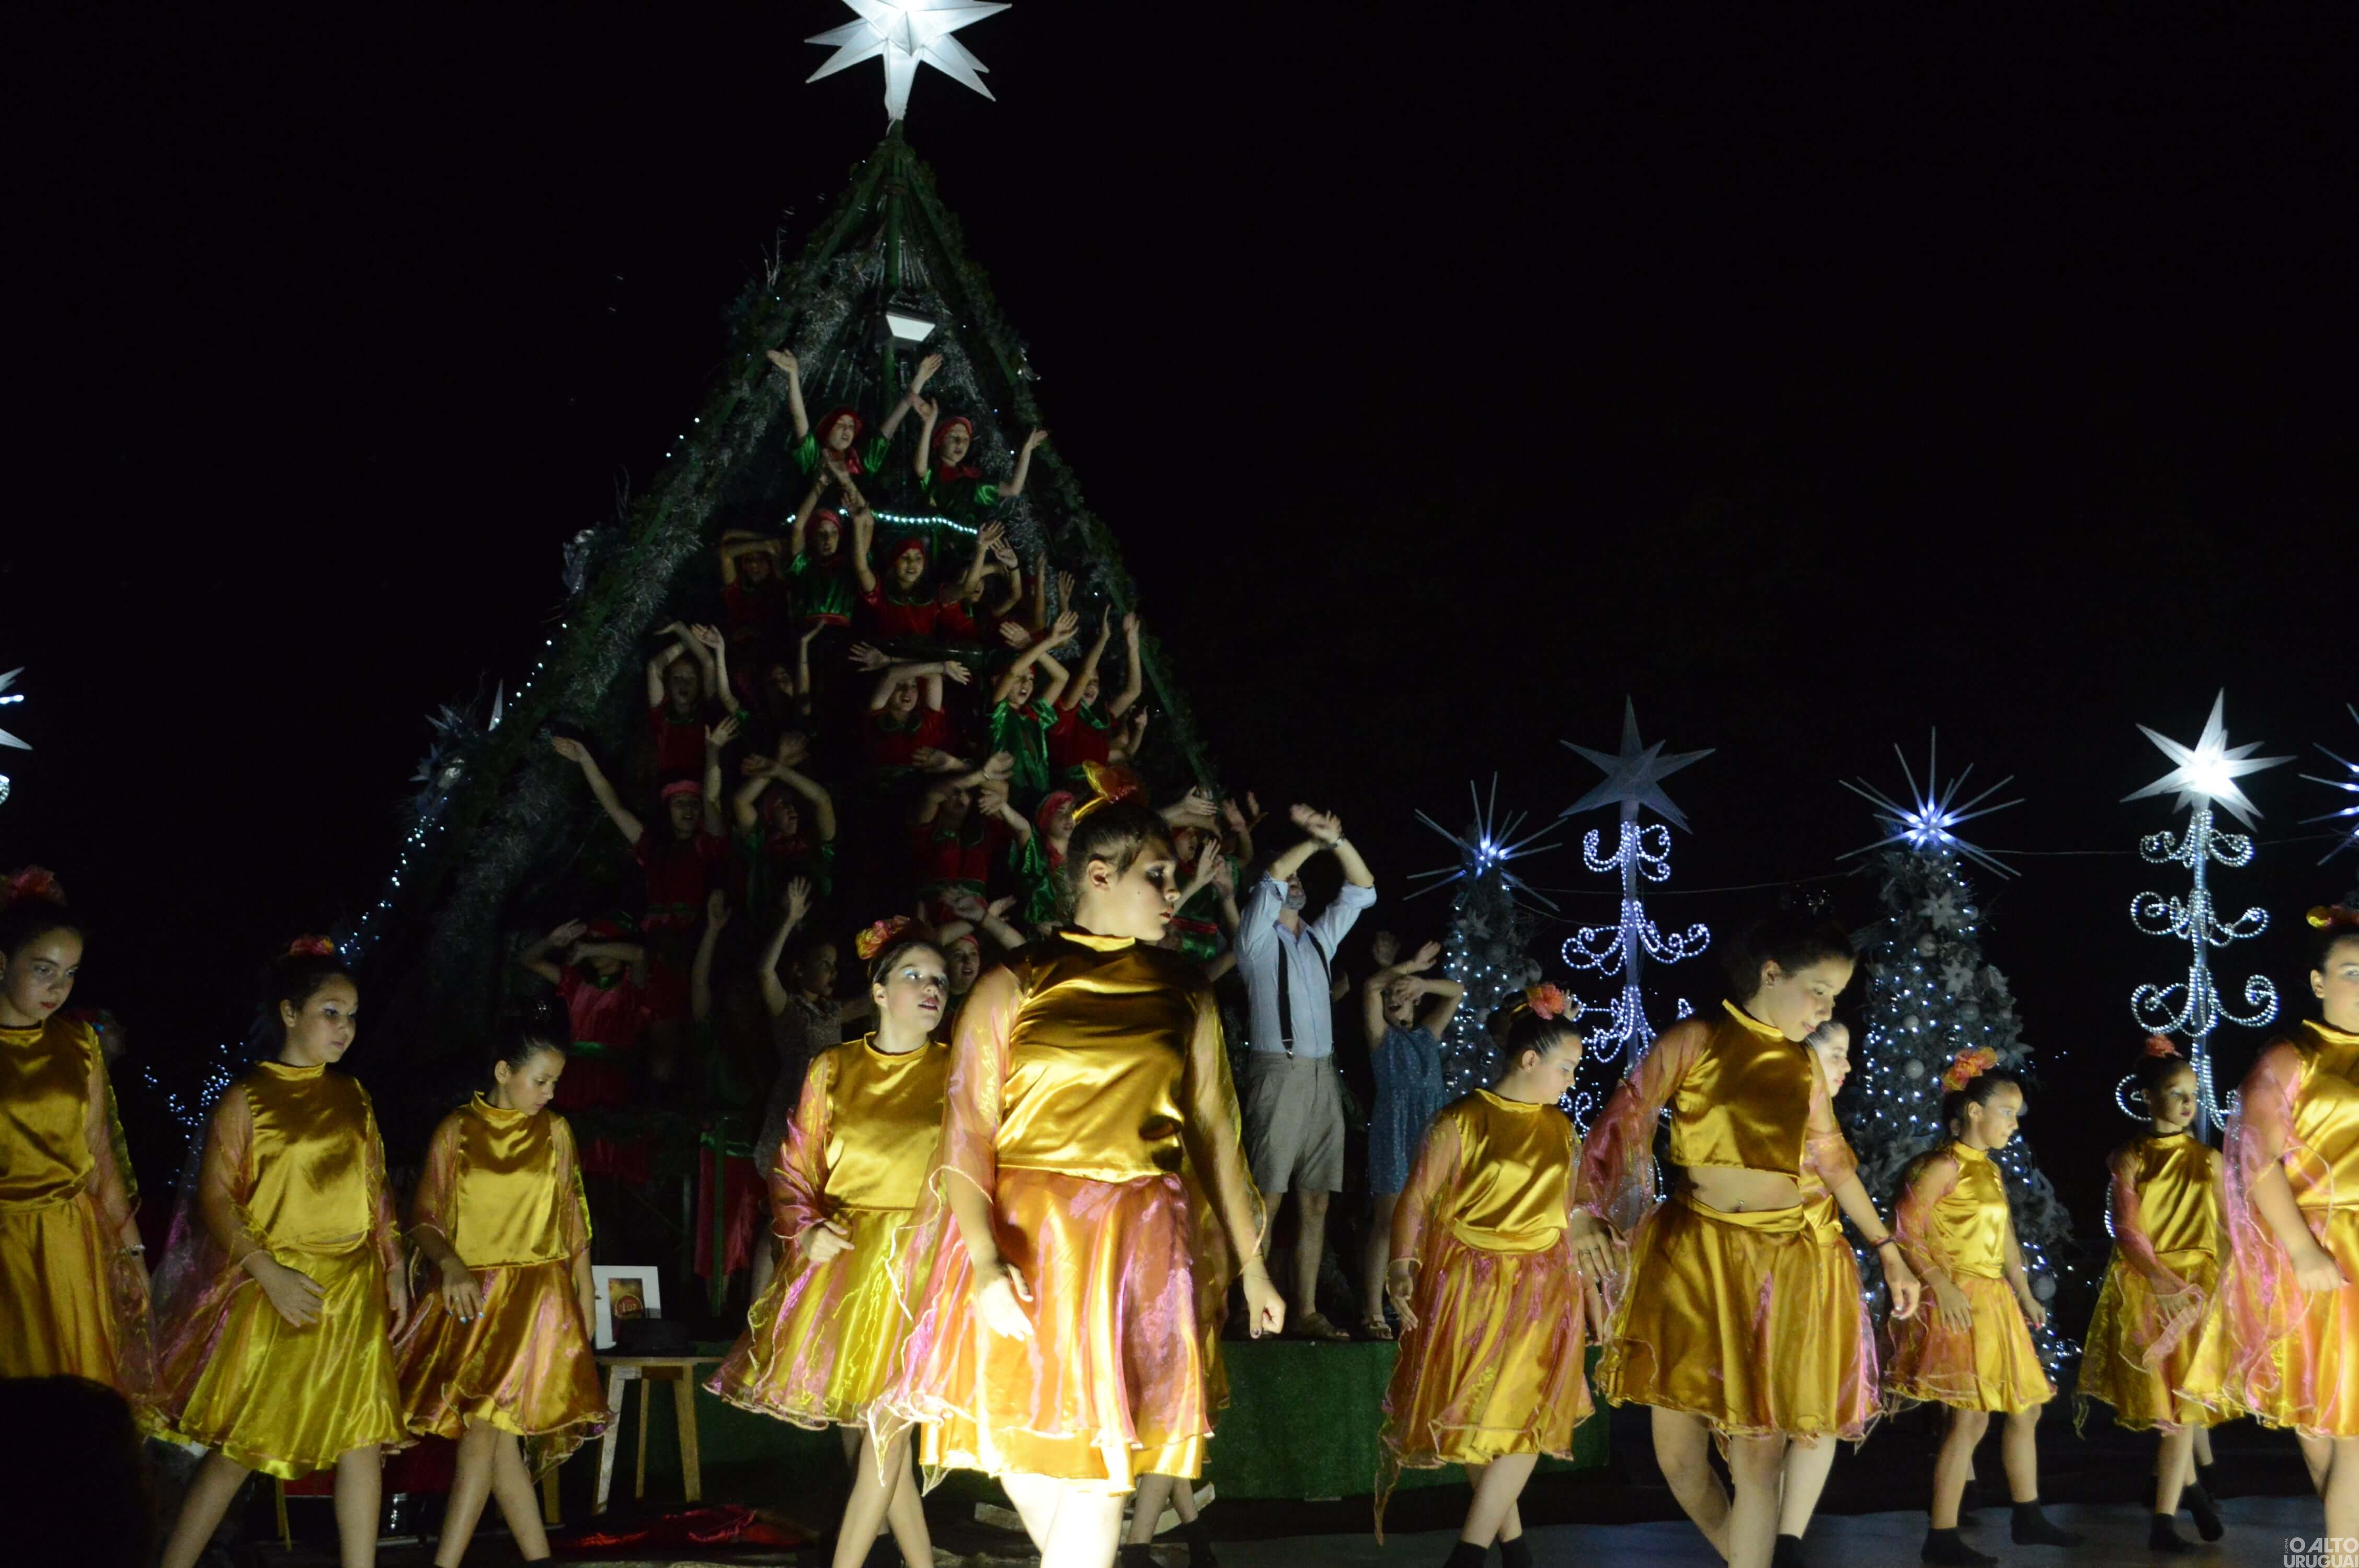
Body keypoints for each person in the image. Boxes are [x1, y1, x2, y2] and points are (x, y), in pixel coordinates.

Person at [876, 797, 1284, 1568]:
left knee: (1102, 1468)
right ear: (1100, 874)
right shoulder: (1015, 982)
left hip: (1137, 1247)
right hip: (1032, 1244)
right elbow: (966, 1133)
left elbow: (1217, 1141)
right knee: (1025, 1455)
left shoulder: (1185, 991)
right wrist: (985, 1261)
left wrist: (1255, 1265)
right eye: (1159, 876)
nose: (1174, 894)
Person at [1566, 908, 1920, 1568]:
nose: (1824, 1010)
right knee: (1678, 1456)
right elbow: (1622, 1121)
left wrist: (1888, 1248)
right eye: (1818, 991)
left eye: (1835, 999)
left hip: (1779, 1265)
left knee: (1760, 1452)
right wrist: (1585, 1209)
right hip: (1694, 1260)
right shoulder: (1699, 1039)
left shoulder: (1801, 1069)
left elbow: (1836, 1162)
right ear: (1770, 973)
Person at [154, 939, 408, 1568]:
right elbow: (217, 1200)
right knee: (244, 1444)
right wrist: (268, 1275)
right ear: (291, 1013)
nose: (344, 1028)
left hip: (351, 1289)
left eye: (350, 1015)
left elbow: (375, 1189)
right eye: (330, 1012)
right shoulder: (248, 1099)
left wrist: (396, 1268)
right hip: (281, 1288)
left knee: (361, 1440)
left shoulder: (354, 1095)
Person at [711, 923, 953, 1568]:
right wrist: (806, 1228)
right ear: (878, 991)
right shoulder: (835, 1068)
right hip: (849, 1266)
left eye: (939, 980)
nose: (931, 989)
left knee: (888, 1427)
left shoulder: (959, 1073)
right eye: (914, 976)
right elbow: (793, 1168)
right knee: (874, 1429)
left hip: (924, 1266)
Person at [1379, 988, 1597, 1568]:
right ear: (1529, 1061)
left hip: (1542, 1290)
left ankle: (1469, 1552)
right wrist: (1402, 1264)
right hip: (1471, 1287)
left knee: (1523, 1417)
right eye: (1566, 1068)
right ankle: (1515, 1549)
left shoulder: (1559, 1128)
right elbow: (1417, 1197)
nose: (1571, 1081)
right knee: (1485, 1415)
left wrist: (1591, 1272)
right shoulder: (1464, 1118)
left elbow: (1568, 1209)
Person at [394, 1022, 606, 1568]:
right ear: (503, 1073)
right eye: (541, 1081)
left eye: (555, 1083)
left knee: (488, 1430)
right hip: (476, 1299)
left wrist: (586, 1303)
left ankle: (448, 1562)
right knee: (495, 1435)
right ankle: (536, 1558)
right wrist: (452, 1267)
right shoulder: (457, 1130)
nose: (551, 1094)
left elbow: (573, 1227)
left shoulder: (555, 1132)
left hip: (538, 1300)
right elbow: (425, 1220)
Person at [2184, 903, 2359, 1548]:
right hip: (2323, 1253)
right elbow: (2256, 1160)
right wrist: (2302, 1250)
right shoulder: (2293, 1055)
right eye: (2351, 972)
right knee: (2330, 1435)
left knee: (2342, 1436)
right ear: (2318, 982)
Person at [1882, 1055, 2078, 1564]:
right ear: (1973, 1111)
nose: (2014, 1123)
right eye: (2007, 1111)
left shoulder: (1987, 1168)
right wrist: (1939, 1284)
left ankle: (2027, 1513)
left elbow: (2006, 1237)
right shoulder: (1942, 1166)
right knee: (1968, 1422)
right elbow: (1905, 1227)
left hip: (1993, 1301)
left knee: (2026, 1408)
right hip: (1961, 1303)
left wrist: (2025, 1291)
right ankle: (1941, 1534)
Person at [0, 869, 153, 1409]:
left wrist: (130, 1251)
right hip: (8, 1245)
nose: (57, 989)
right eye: (43, 971)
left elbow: (98, 1154)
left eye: (69, 974)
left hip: (69, 1243)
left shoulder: (78, 1046)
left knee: (73, 1397)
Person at [2076, 1038, 2227, 1554]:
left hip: (2198, 1294)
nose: (2188, 1103)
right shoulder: (2132, 1157)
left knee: (2184, 1408)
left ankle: (2171, 1513)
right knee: (2172, 1410)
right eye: (2174, 1092)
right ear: (2147, 1098)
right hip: (2153, 1289)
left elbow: (2228, 1232)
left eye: (2193, 1093)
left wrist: (2224, 1287)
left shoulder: (2209, 1160)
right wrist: (2163, 1283)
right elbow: (2127, 1227)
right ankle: (2184, 1501)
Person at [1234, 805, 1378, 1340]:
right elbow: (1270, 878)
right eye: (1288, 877)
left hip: (1321, 1076)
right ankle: (1251, 1308)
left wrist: (1334, 842)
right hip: (1279, 1070)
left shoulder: (1318, 938)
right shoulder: (1255, 940)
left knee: (1316, 1198)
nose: (1294, 883)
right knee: (1268, 1196)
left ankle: (1306, 1310)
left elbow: (1363, 888)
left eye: (1299, 878)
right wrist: (1313, 843)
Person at [1358, 941, 1463, 1339]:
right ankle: (1373, 1311)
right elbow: (1370, 988)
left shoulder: (1426, 1036)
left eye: (1403, 996)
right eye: (1392, 996)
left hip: (1429, 1132)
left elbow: (1458, 991)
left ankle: (1417, 1309)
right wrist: (1408, 966)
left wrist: (1421, 982)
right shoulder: (1380, 1037)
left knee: (1429, 1223)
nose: (1396, 1000)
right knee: (1388, 1221)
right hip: (1394, 1129)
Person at [517, 916, 650, 1112]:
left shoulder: (631, 985)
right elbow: (527, 960)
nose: (594, 948)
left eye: (603, 941)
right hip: (572, 1073)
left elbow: (640, 954)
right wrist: (550, 942)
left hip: (611, 1075)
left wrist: (590, 948)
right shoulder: (576, 983)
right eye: (591, 940)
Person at [734, 732, 840, 910]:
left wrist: (780, 768)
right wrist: (780, 765)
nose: (792, 809)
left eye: (794, 804)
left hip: (816, 921)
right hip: (769, 923)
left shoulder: (819, 845)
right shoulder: (760, 843)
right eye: (782, 804)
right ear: (769, 814)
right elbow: (741, 801)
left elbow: (822, 800)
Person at [989, 610, 1078, 805]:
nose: (1026, 685)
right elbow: (1013, 671)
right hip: (1007, 799)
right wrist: (1048, 641)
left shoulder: (1034, 715)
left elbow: (1062, 678)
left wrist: (1030, 644)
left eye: (1030, 680)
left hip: (1039, 798)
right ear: (997, 681)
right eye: (1020, 679)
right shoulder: (997, 711)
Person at [1047, 610, 1145, 787]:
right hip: (1066, 791)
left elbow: (1133, 692)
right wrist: (1103, 639)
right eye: (1087, 682)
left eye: (1096, 682)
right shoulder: (1064, 711)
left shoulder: (1100, 719)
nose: (1091, 686)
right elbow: (1085, 673)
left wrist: (1133, 647)